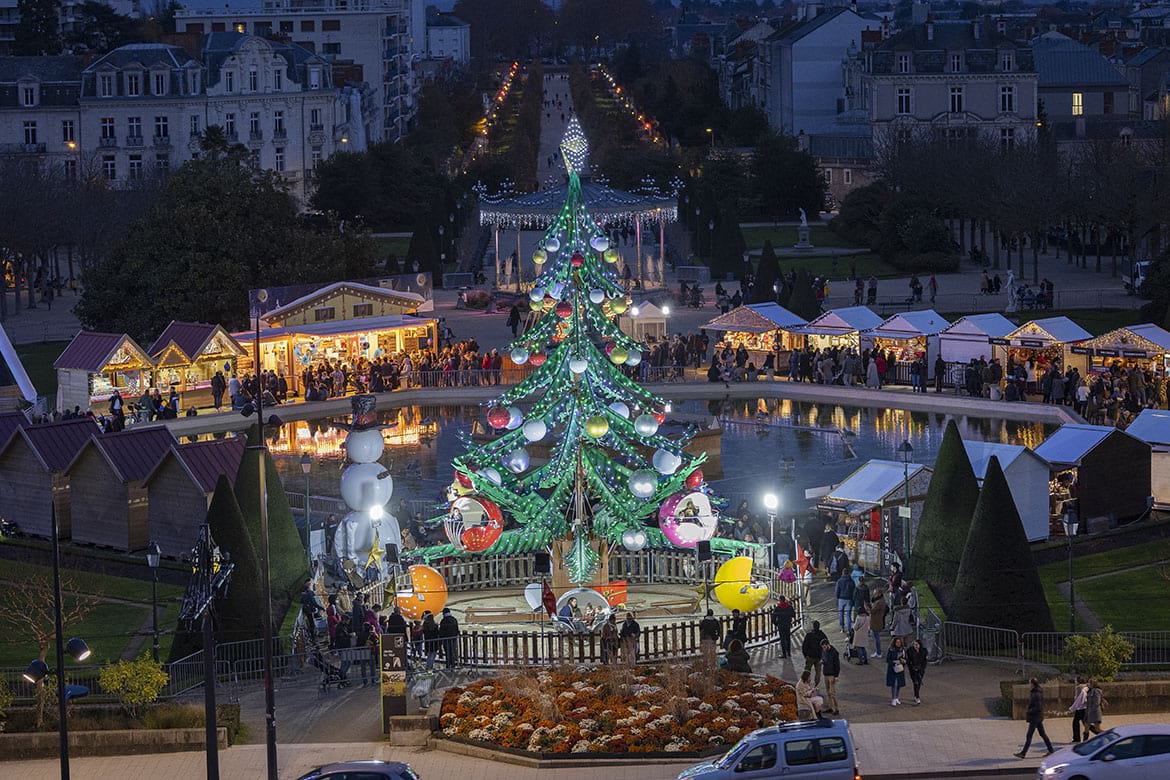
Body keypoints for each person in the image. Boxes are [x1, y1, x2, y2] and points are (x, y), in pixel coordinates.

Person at [1015, 678, 1055, 758]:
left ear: (1033, 684)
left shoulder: (1036, 694)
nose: (1029, 685)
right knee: (1042, 734)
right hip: (1037, 717)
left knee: (1029, 735)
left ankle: (1023, 753)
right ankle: (1051, 750)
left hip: (1035, 718)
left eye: (1030, 683)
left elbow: (1038, 707)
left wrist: (1029, 711)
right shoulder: (1036, 692)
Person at [801, 620, 828, 685]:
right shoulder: (822, 635)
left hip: (810, 657)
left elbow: (804, 646)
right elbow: (827, 645)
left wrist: (806, 655)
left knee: (807, 671)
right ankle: (815, 685)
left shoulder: (809, 635)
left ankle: (805, 684)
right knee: (818, 672)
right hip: (819, 657)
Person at [820, 639, 841, 715]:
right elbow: (824, 658)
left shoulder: (834, 653)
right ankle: (830, 707)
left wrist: (836, 676)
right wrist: (823, 661)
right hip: (826, 673)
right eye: (823, 647)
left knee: (832, 693)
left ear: (828, 644)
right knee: (828, 692)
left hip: (832, 675)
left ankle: (836, 709)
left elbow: (837, 665)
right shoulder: (824, 651)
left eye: (825, 647)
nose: (824, 649)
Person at [886, 636, 907, 706]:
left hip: (900, 669)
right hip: (892, 669)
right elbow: (888, 659)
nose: (898, 643)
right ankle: (893, 698)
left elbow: (905, 659)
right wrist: (894, 662)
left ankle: (897, 697)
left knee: (899, 684)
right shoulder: (891, 650)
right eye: (897, 642)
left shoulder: (903, 650)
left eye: (899, 642)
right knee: (893, 684)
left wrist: (903, 661)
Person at [906, 638, 928, 705]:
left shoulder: (923, 651)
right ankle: (917, 697)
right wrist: (912, 668)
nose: (915, 646)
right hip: (913, 670)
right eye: (914, 644)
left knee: (919, 682)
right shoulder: (910, 651)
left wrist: (922, 668)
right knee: (915, 682)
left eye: (916, 644)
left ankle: (916, 694)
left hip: (921, 669)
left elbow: (925, 661)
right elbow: (908, 661)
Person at [1068, 677, 1088, 742]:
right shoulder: (1086, 687)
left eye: (1076, 681)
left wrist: (1073, 707)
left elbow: (1077, 698)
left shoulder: (1079, 687)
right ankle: (1098, 732)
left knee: (1076, 722)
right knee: (1085, 723)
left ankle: (1076, 738)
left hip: (1080, 707)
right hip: (1084, 707)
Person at [835, 568, 855, 634]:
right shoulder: (851, 581)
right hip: (849, 599)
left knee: (841, 614)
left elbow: (837, 590)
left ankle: (842, 628)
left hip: (841, 599)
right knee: (848, 615)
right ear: (848, 573)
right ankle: (849, 629)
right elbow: (853, 590)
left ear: (842, 573)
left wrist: (837, 597)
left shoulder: (839, 581)